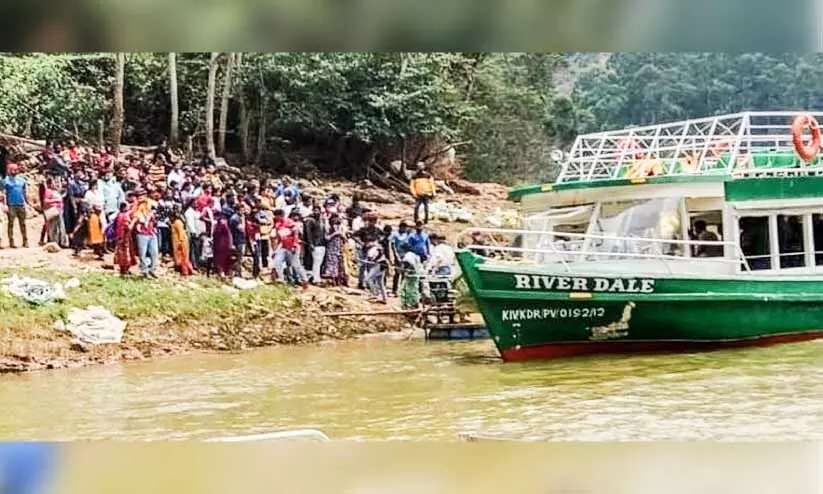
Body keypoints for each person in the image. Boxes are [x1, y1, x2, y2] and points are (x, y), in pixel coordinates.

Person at [271, 209, 308, 287]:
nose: (276, 217)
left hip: (292, 246)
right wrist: (275, 250)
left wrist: (294, 244)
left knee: (295, 265)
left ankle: (304, 280)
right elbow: (279, 239)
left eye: (277, 216)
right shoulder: (278, 225)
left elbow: (295, 234)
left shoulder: (289, 222)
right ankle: (281, 279)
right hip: (284, 246)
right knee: (277, 262)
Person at [134, 192, 160, 278]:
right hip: (142, 233)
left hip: (151, 232)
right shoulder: (138, 209)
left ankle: (152, 269)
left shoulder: (151, 206)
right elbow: (138, 219)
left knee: (154, 252)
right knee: (143, 253)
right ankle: (144, 271)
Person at [3, 163, 28, 248]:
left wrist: (26, 203)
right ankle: (11, 241)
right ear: (9, 170)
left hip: (21, 204)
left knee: (23, 224)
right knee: (11, 224)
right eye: (13, 169)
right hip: (11, 205)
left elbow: (24, 192)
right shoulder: (5, 181)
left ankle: (25, 241)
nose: (15, 170)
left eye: (16, 169)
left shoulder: (21, 180)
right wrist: (5, 205)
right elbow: (3, 193)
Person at [303, 205, 327, 284]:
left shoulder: (322, 220)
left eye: (318, 210)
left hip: (322, 244)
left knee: (319, 262)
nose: (317, 212)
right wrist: (310, 243)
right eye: (315, 210)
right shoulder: (310, 220)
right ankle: (315, 279)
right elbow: (308, 233)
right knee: (316, 262)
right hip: (315, 244)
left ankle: (317, 277)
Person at [322, 214, 348, 286]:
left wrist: (342, 235)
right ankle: (330, 280)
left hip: (339, 249)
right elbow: (326, 238)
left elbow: (345, 240)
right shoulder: (328, 228)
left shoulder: (340, 228)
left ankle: (339, 281)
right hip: (331, 249)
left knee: (340, 265)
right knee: (331, 264)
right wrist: (335, 233)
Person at [113, 201, 137, 277]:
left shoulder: (118, 215)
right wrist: (134, 221)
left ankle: (122, 270)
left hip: (119, 237)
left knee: (120, 253)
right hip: (125, 237)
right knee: (126, 253)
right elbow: (128, 227)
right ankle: (125, 270)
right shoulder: (125, 216)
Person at [42, 178, 66, 247]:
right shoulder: (48, 191)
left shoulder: (55, 191)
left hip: (59, 211)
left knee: (60, 227)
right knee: (53, 227)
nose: (55, 184)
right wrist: (56, 200)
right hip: (54, 211)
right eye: (53, 183)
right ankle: (54, 242)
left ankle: (60, 242)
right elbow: (46, 201)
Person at [171, 204, 193, 276]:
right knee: (184, 256)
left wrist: (180, 242)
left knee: (183, 256)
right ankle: (188, 270)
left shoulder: (177, 222)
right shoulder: (177, 221)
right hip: (180, 240)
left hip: (180, 241)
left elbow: (181, 234)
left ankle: (185, 272)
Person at [212, 208, 234, 279]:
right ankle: (224, 273)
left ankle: (222, 273)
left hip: (222, 244)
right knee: (223, 259)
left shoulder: (221, 223)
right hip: (222, 244)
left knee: (220, 260)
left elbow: (218, 233)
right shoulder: (222, 223)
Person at [390, 222, 411, 295]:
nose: (405, 229)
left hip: (405, 256)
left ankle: (402, 289)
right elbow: (393, 246)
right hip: (398, 255)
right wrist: (396, 256)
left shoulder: (407, 234)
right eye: (404, 227)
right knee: (397, 273)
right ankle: (394, 289)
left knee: (404, 273)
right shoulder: (395, 234)